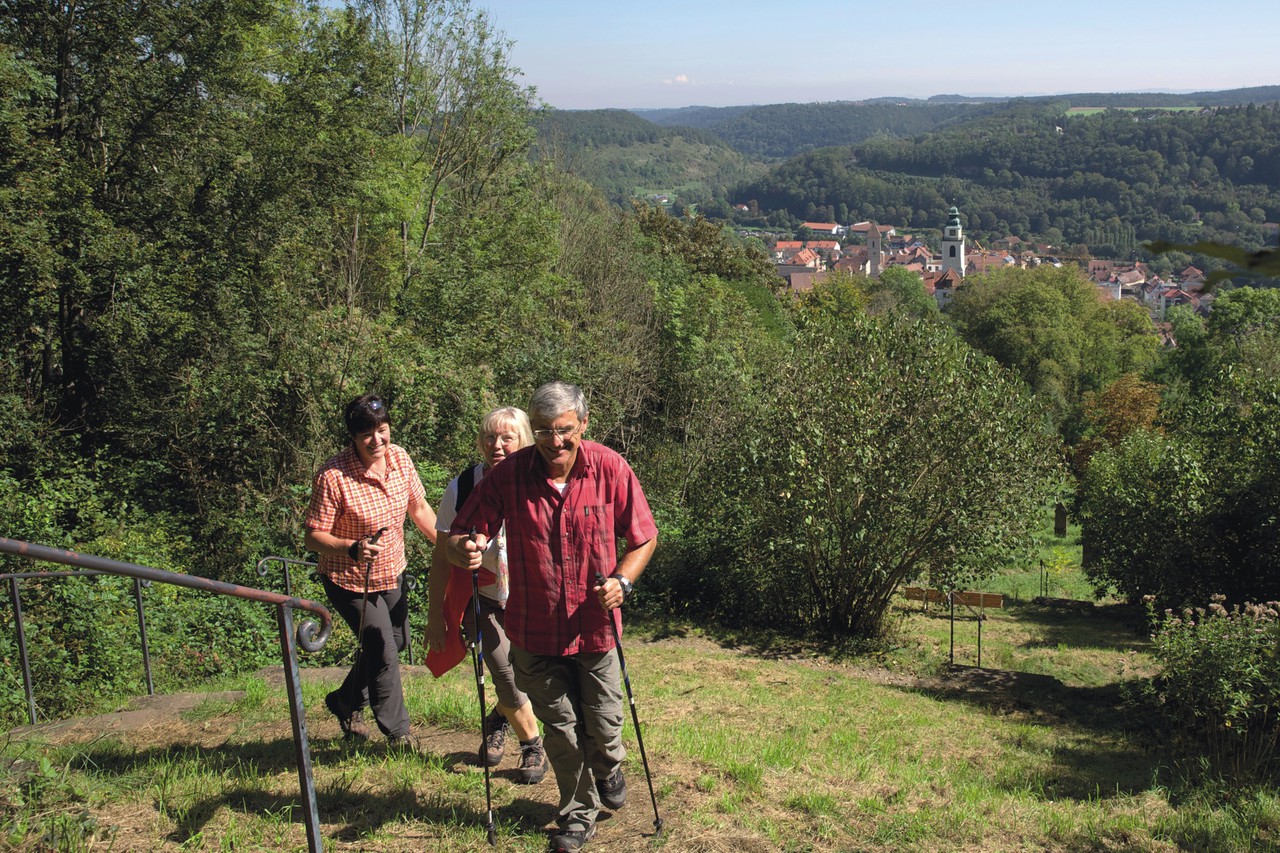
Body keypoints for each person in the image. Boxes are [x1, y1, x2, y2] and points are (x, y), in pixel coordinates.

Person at [446, 381, 658, 853]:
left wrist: (622, 581)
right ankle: (578, 816)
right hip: (534, 631)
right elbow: (463, 532)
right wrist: (466, 547)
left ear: (583, 424)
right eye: (543, 431)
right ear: (533, 430)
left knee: (604, 727)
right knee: (561, 731)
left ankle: (608, 765)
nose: (555, 441)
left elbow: (644, 537)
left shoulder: (610, 468)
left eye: (564, 430)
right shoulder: (509, 475)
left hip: (595, 629)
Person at [304, 393, 437, 746]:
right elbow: (313, 537)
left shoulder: (400, 458)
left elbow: (419, 508)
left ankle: (345, 701)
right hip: (349, 579)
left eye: (382, 430)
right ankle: (398, 732)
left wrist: (447, 546)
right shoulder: (333, 477)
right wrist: (351, 548)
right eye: (367, 435)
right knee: (382, 648)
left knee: (398, 639)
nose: (377, 440)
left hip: (391, 571)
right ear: (353, 437)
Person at [425, 406, 549, 785]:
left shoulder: (541, 482)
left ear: (524, 441)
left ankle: (498, 718)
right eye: (489, 437)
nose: (496, 445)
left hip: (531, 598)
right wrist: (435, 615)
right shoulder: (461, 488)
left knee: (533, 674)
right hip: (481, 597)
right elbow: (441, 557)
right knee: (504, 671)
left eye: (506, 438)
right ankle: (533, 745)